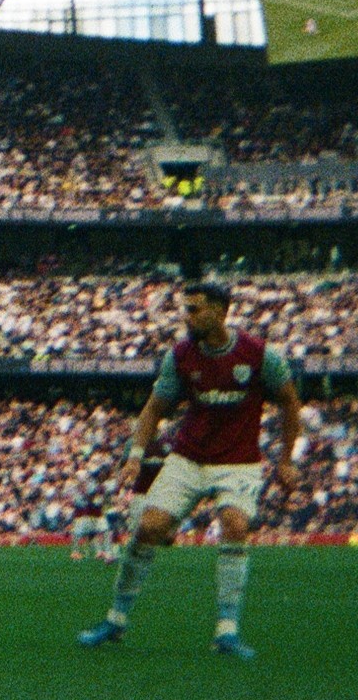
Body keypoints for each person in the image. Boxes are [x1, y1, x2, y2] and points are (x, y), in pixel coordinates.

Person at [79, 281, 302, 659]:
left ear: (220, 311)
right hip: (188, 458)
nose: (189, 316)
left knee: (234, 525)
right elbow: (153, 408)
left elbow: (290, 404)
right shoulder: (181, 356)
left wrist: (286, 459)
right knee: (148, 527)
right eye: (187, 308)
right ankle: (115, 620)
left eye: (196, 309)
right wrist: (135, 454)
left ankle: (226, 631)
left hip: (238, 462)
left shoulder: (260, 355)